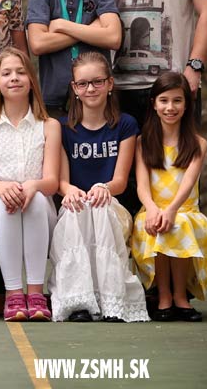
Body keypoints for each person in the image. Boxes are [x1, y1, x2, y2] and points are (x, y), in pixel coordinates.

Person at [49, 53, 147, 323]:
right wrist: (70, 190)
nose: (90, 89)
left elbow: (120, 181)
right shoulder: (63, 128)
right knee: (77, 210)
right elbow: (62, 182)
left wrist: (103, 187)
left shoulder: (125, 124)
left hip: (112, 207)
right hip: (76, 208)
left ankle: (111, 300)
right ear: (74, 88)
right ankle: (77, 300)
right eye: (83, 83)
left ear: (110, 84)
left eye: (97, 82)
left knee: (100, 207)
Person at [0, 48, 62, 322]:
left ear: (32, 80)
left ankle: (35, 293)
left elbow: (52, 182)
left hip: (39, 213)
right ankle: (13, 294)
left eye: (21, 72)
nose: (14, 78)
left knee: (34, 198)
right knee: (7, 202)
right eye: (7, 73)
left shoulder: (49, 125)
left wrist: (33, 185)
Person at [132, 71, 207, 322]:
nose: (170, 107)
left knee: (177, 224)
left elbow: (188, 183)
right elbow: (142, 186)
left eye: (177, 100)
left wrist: (171, 210)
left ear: (187, 105)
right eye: (164, 100)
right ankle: (164, 295)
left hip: (185, 210)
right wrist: (152, 209)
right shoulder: (143, 142)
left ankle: (181, 296)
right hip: (153, 209)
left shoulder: (197, 144)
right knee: (158, 226)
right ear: (154, 104)